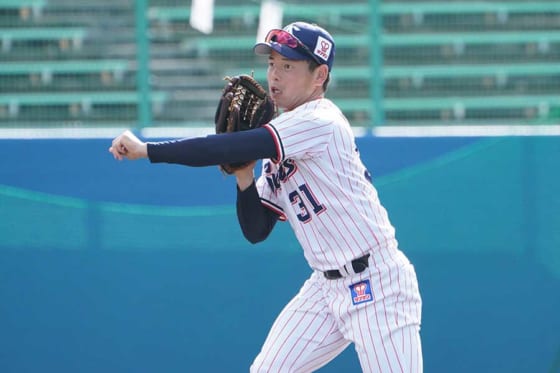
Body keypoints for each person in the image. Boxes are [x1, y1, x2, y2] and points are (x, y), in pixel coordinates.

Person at [109, 21, 422, 373]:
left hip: (379, 285)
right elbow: (256, 230)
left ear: (319, 76)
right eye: (273, 63)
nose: (275, 74)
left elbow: (228, 146)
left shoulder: (320, 121)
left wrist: (148, 150)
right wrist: (244, 177)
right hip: (325, 288)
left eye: (288, 66)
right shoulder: (282, 146)